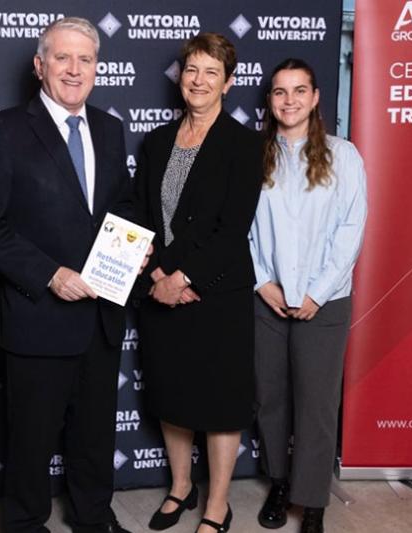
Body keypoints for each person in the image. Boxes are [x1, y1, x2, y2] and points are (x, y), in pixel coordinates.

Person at [0, 17, 133, 533]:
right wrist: (50, 274)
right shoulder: (4, 130)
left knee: (95, 437)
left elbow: (119, 207)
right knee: (32, 440)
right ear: (40, 66)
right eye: (63, 58)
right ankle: (24, 524)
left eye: (85, 59)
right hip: (39, 314)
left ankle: (93, 519)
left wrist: (133, 250)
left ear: (97, 69)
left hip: (101, 314)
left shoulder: (108, 127)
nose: (74, 69)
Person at [134, 33, 262, 533]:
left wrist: (184, 278)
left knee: (220, 401)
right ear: (180, 75)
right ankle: (182, 488)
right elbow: (144, 215)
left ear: (228, 83)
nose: (199, 80)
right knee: (173, 393)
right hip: (161, 288)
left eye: (211, 72)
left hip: (217, 295)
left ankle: (218, 504)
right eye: (192, 69)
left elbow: (232, 229)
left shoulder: (244, 145)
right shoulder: (157, 141)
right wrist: (158, 277)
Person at [249, 58, 367, 533]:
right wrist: (262, 282)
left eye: (300, 91)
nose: (290, 100)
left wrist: (317, 292)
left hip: (327, 303)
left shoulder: (344, 155)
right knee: (270, 400)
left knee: (316, 407)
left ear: (316, 97)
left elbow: (351, 229)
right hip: (268, 300)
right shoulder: (255, 155)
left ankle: (312, 502)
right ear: (270, 100)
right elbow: (246, 231)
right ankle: (279, 482)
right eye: (280, 92)